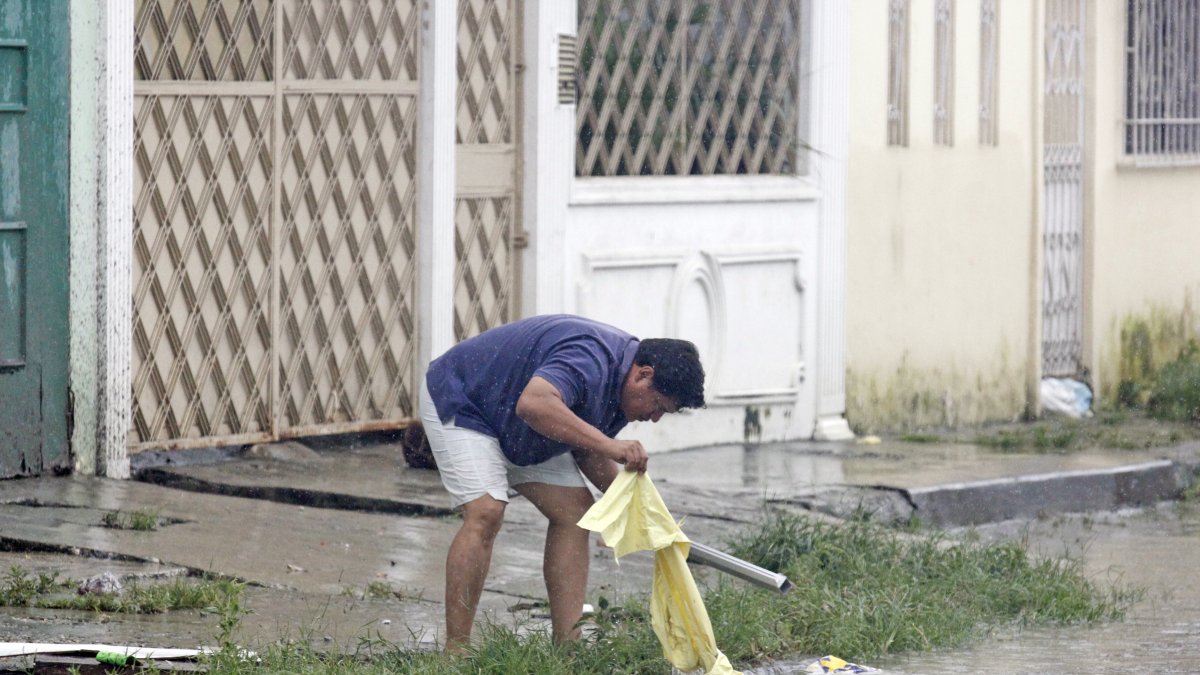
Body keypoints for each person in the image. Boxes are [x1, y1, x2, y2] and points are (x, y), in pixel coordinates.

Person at [420, 314, 705, 651]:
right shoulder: (590, 358)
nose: (654, 417)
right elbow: (535, 403)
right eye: (658, 405)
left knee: (577, 512)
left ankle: (567, 648)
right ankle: (456, 654)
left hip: (520, 422)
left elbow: (587, 448)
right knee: (486, 511)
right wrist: (610, 446)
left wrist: (638, 508)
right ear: (644, 375)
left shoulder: (624, 385)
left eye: (664, 412)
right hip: (467, 399)